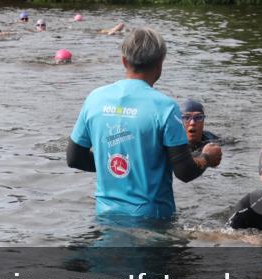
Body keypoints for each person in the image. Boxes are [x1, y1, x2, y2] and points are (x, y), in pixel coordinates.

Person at [67, 27, 223, 218]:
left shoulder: (95, 98)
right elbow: (185, 171)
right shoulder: (165, 107)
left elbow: (74, 158)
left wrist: (117, 166)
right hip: (152, 219)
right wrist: (207, 158)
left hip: (105, 214)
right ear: (160, 65)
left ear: (124, 61)